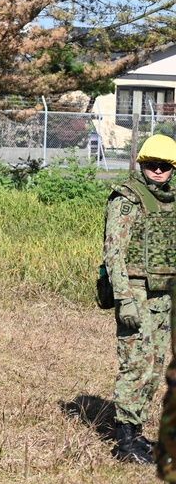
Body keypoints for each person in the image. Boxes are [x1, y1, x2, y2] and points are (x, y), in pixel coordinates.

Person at [103, 134, 176, 464]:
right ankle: (125, 439)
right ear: (141, 165)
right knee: (136, 365)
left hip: (164, 295)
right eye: (152, 166)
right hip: (136, 292)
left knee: (156, 364)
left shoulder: (172, 202)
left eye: (165, 166)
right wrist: (124, 299)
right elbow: (114, 253)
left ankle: (136, 432)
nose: (158, 172)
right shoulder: (127, 198)